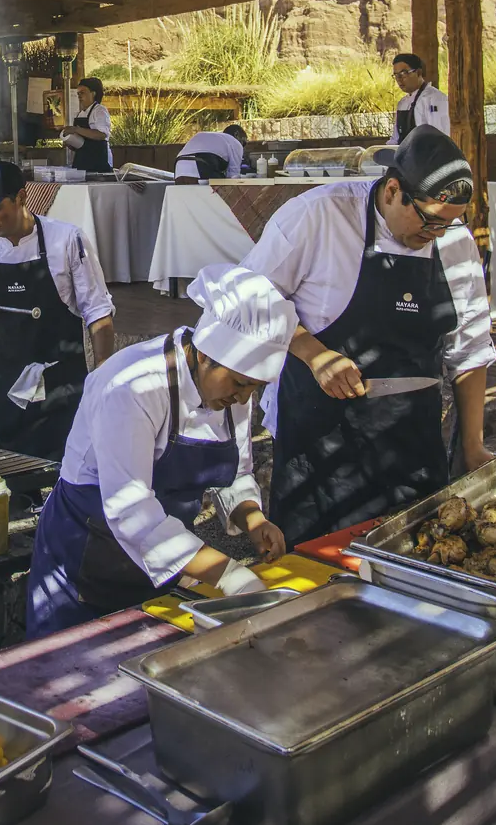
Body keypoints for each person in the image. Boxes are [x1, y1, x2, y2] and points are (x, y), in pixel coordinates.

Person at [243, 126, 494, 546]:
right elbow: (249, 298)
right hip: (321, 441)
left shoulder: (454, 243)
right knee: (315, 573)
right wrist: (314, 353)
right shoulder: (319, 216)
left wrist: (472, 446)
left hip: (412, 439)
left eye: (448, 225)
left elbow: (469, 350)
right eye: (429, 221)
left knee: (416, 560)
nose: (435, 235)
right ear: (393, 190)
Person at [25, 265, 295, 636]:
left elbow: (237, 471)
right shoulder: (132, 386)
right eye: (240, 383)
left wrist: (252, 518)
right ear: (205, 355)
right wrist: (228, 574)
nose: (244, 397)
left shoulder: (231, 388)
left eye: (255, 387)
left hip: (167, 563)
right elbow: (132, 511)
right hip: (85, 555)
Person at [0, 161, 114, 458]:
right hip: (4, 390)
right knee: (6, 483)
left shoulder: (67, 241)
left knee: (65, 476)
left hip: (61, 391)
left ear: (21, 198)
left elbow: (98, 313)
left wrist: (102, 378)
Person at [389, 53, 449, 144]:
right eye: (396, 75)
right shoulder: (402, 104)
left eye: (403, 73)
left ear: (418, 73)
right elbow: (395, 140)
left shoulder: (435, 99)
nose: (399, 79)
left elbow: (441, 138)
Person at [60, 76, 113, 171]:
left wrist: (76, 129)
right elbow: (81, 144)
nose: (79, 96)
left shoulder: (100, 111)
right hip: (82, 161)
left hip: (99, 162)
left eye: (82, 93)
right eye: (78, 93)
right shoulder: (80, 114)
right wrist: (69, 142)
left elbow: (101, 135)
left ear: (93, 94)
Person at [174, 122, 249, 180]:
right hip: (201, 164)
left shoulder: (213, 138)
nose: (242, 147)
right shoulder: (235, 143)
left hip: (179, 167)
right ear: (236, 134)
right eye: (243, 142)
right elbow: (233, 176)